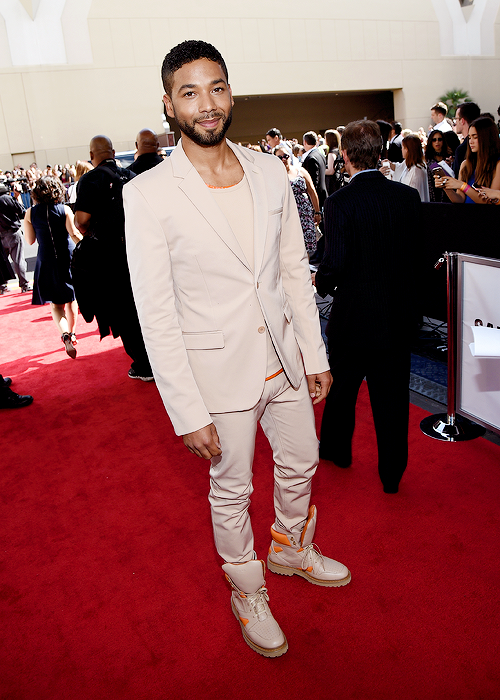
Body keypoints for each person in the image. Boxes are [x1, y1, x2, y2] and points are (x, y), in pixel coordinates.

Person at [123, 39, 351, 659]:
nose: (207, 103)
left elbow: (291, 269)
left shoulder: (269, 170)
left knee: (302, 462)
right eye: (190, 92)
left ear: (231, 92)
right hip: (216, 374)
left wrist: (316, 354)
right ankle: (248, 590)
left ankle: (290, 548)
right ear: (169, 105)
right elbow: (156, 311)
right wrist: (186, 410)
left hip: (283, 359)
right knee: (231, 491)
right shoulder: (147, 194)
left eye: (217, 87)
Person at [314, 120, 422, 494]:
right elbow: (417, 258)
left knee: (341, 390)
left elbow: (336, 263)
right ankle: (392, 476)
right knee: (393, 400)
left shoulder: (339, 202)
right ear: (379, 151)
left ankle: (336, 451)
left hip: (354, 318)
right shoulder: (407, 198)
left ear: (344, 155)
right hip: (396, 317)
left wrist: (320, 281)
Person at [74, 135, 153, 380]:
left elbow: (82, 221)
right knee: (144, 307)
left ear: (91, 154)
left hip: (109, 259)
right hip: (138, 252)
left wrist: (96, 236)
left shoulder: (90, 179)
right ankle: (156, 359)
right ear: (114, 151)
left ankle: (144, 365)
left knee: (124, 311)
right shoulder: (130, 176)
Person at [23, 177, 82, 359]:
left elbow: (30, 240)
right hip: (67, 256)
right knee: (72, 299)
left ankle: (65, 334)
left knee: (56, 304)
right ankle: (72, 333)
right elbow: (74, 233)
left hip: (46, 259)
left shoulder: (30, 213)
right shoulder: (64, 209)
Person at [435, 116, 500, 203]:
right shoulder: (466, 164)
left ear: (487, 138)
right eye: (469, 137)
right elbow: (459, 199)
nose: (471, 141)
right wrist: (446, 186)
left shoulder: (497, 164)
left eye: (475, 137)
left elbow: (489, 202)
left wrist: (462, 186)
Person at [273, 146, 320, 256]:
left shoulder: (301, 170)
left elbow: (312, 191)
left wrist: (317, 211)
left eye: (285, 156)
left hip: (304, 215)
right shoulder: (273, 175)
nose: (283, 159)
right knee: (290, 250)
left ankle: (305, 271)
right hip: (287, 216)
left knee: (306, 249)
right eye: (279, 157)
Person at [0, 180, 31, 293]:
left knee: (3, 261)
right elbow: (21, 210)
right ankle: (23, 284)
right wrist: (17, 196)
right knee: (18, 259)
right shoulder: (6, 199)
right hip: (12, 232)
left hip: (1, 233)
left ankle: (2, 285)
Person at [389, 133, 429, 202]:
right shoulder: (409, 164)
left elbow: (413, 192)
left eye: (402, 147)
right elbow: (399, 167)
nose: (401, 150)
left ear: (407, 149)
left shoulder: (416, 170)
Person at [425, 130, 451, 202]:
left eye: (440, 139)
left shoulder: (450, 157)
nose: (437, 142)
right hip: (435, 195)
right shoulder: (429, 159)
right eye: (434, 140)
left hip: (450, 195)